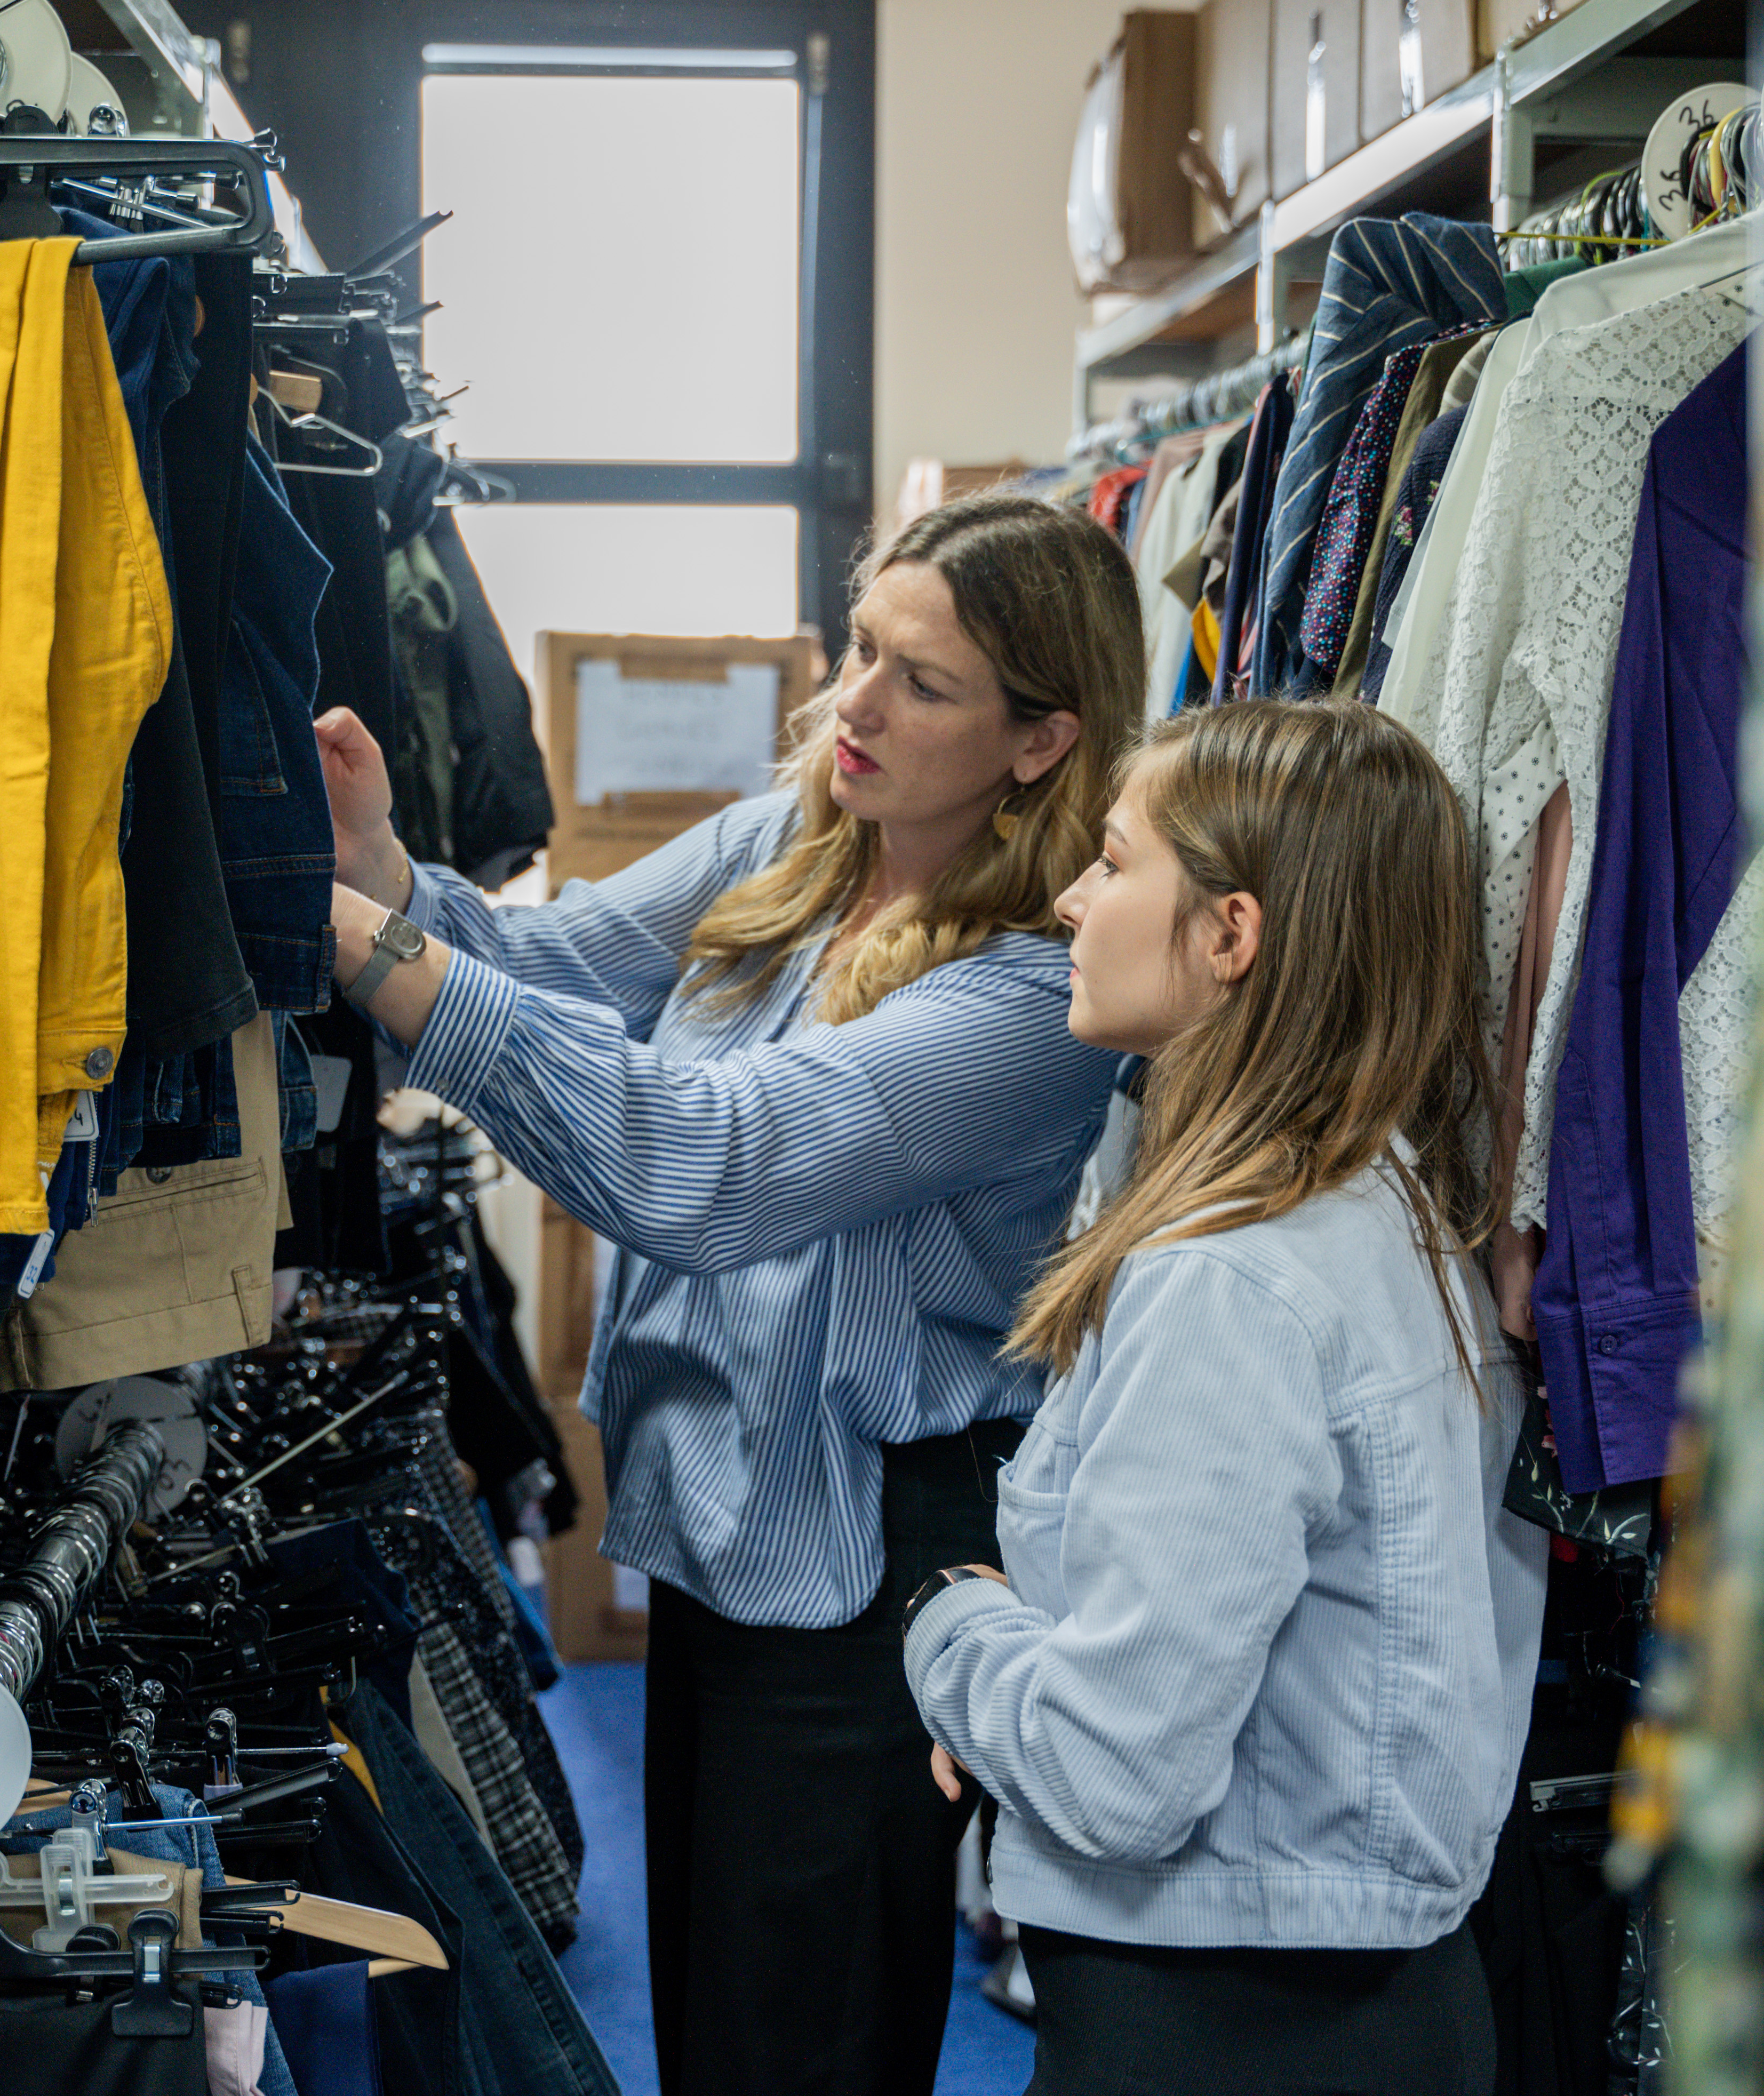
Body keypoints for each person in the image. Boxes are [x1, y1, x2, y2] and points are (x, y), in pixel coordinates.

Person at [312, 495, 1145, 2096]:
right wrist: (390, 877)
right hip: (725, 1534)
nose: (856, 705)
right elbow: (545, 968)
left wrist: (378, 955)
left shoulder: (1039, 995)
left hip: (868, 1564)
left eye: (922, 683)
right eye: (860, 651)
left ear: (1042, 741)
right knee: (720, 2021)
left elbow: (711, 1167)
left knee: (805, 2034)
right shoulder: (796, 840)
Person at [902, 698, 1547, 2096]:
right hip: (1342, 1998)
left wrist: (950, 1632)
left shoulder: (1232, 1281)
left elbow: (1116, 1778)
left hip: (1232, 2026)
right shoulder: (1382, 1205)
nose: (1073, 897)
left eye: (1118, 862)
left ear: (1231, 935)